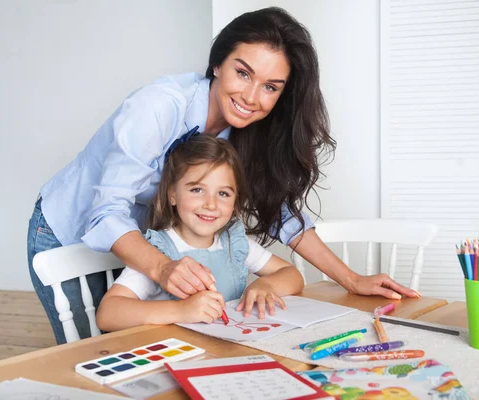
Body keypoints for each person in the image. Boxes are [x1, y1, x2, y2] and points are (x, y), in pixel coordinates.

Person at [28, 6, 419, 345]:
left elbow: (285, 218)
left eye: (270, 87)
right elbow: (106, 212)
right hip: (71, 229)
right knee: (99, 350)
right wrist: (163, 267)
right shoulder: (159, 107)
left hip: (146, 240)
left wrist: (350, 280)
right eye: (243, 73)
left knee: (150, 339)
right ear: (217, 63)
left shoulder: (246, 134)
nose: (251, 97)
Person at [96, 135, 304, 331]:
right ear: (172, 195)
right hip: (177, 356)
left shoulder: (237, 243)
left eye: (223, 193)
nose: (211, 204)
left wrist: (266, 285)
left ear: (235, 202)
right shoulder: (157, 252)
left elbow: (292, 275)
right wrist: (181, 311)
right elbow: (107, 313)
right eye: (197, 190)